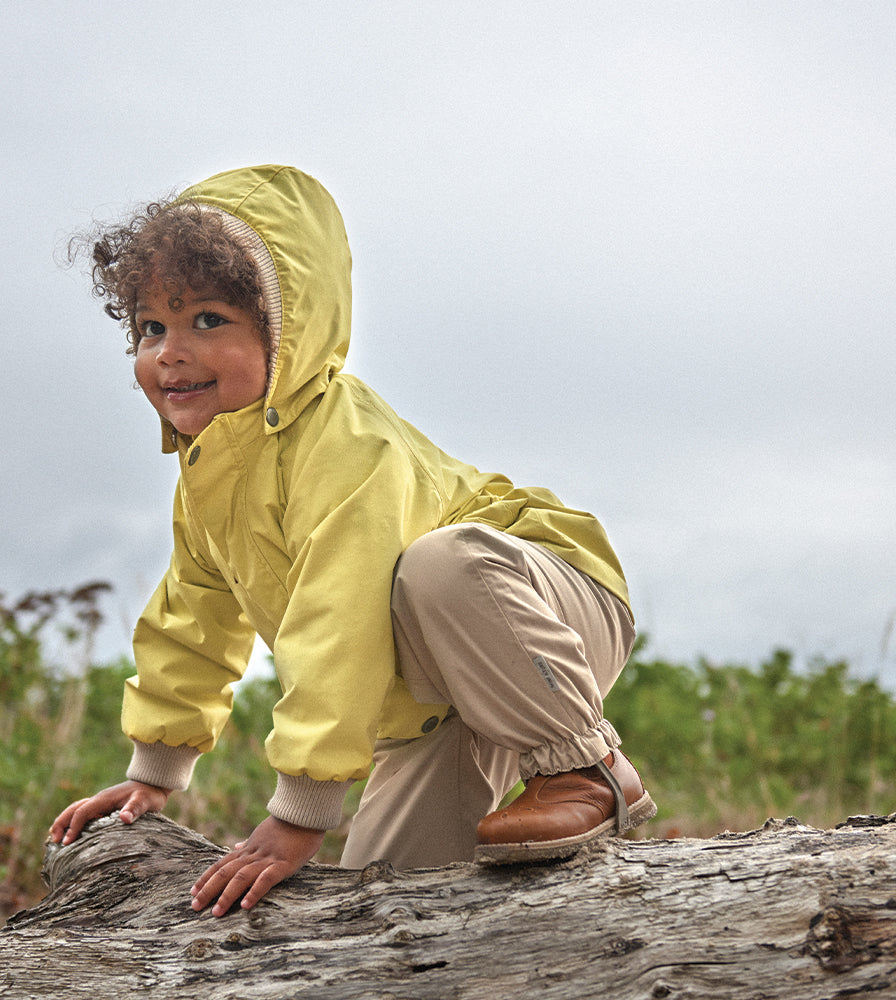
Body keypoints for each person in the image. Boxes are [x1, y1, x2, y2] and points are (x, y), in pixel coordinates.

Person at [50, 164, 655, 916]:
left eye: (207, 320)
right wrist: (154, 771)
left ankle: (585, 770)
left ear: (287, 331)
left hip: (543, 609)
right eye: (151, 328)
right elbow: (193, 620)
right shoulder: (210, 479)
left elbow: (339, 619)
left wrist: (298, 812)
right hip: (436, 706)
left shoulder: (346, 447)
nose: (170, 352)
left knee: (440, 564)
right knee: (387, 911)